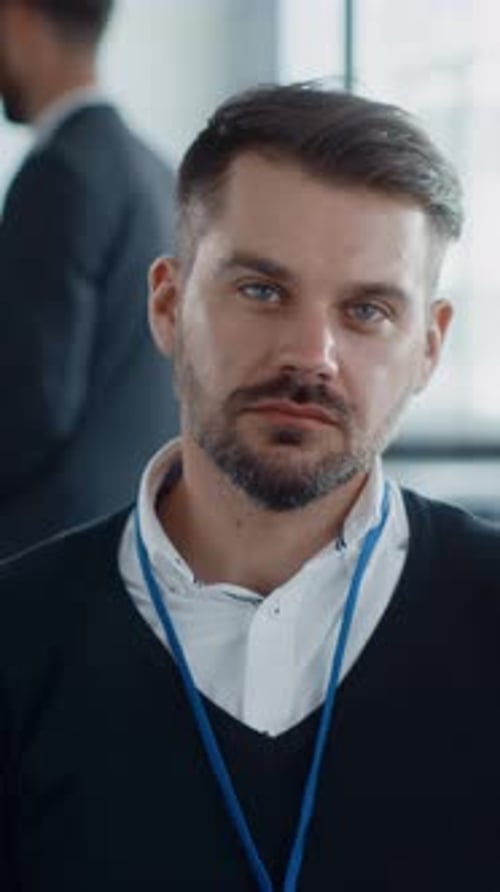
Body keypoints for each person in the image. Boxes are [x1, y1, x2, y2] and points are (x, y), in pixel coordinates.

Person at [0, 82, 499, 892]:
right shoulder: (18, 642)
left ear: (429, 349)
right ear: (167, 304)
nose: (312, 355)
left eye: (367, 311)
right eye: (261, 291)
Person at [0, 0, 178, 559]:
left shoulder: (61, 172)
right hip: (134, 543)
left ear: (18, 18)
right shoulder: (154, 169)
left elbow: (29, 405)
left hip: (42, 554)